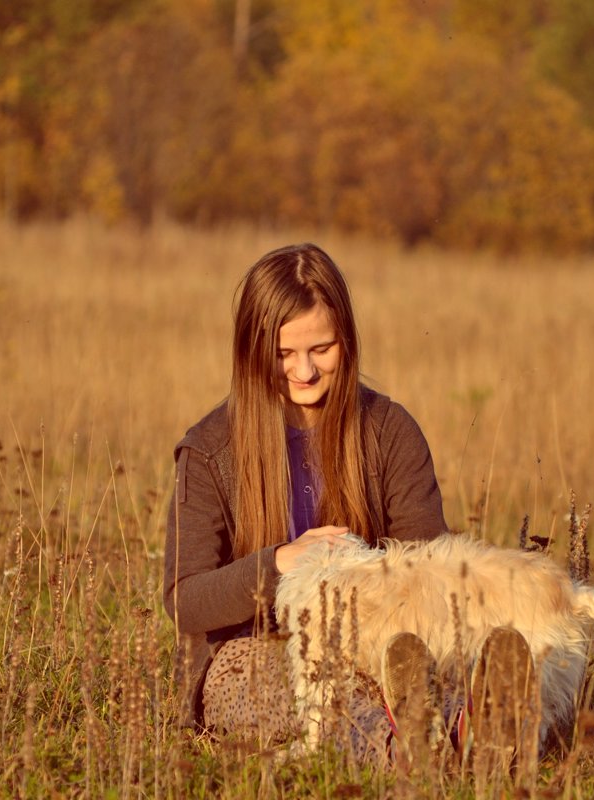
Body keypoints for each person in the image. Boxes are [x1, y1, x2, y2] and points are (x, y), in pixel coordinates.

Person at [162, 243, 451, 761]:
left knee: (427, 664)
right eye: (283, 353)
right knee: (304, 690)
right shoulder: (209, 449)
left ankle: (473, 725)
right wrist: (279, 563)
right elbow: (185, 600)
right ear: (252, 351)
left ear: (347, 340)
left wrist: (363, 588)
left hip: (377, 641)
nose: (305, 371)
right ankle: (409, 751)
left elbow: (430, 562)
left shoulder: (390, 430)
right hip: (251, 653)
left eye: (321, 348)